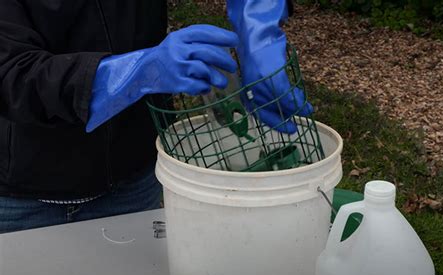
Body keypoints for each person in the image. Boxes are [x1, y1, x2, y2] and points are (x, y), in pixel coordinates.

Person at [0, 0, 309, 233]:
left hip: (133, 180)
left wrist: (257, 24)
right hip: (23, 199)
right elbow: (11, 74)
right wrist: (131, 74)